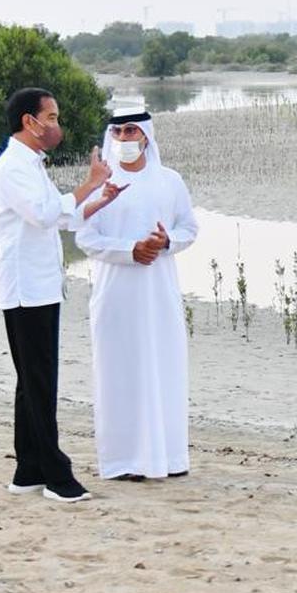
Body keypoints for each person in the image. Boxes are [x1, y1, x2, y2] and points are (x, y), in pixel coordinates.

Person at [0, 87, 122, 503]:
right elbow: (46, 213)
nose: (56, 126)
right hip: (25, 288)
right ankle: (56, 476)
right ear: (29, 122)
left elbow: (59, 218)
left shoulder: (31, 164)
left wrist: (99, 197)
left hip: (41, 285)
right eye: (51, 118)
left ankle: (27, 469)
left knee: (32, 381)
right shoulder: (13, 167)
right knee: (40, 380)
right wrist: (88, 183)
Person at [76, 103, 199, 481]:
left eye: (131, 131)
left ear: (146, 135)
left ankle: (169, 458)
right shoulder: (102, 185)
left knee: (164, 368)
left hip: (159, 294)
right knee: (120, 372)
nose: (125, 138)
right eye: (118, 132)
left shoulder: (170, 181)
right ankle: (123, 461)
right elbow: (85, 237)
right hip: (116, 294)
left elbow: (188, 229)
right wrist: (130, 251)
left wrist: (164, 243)